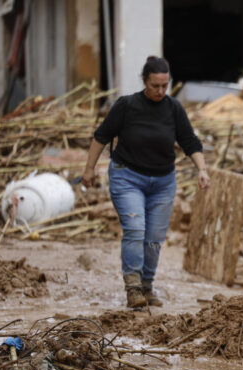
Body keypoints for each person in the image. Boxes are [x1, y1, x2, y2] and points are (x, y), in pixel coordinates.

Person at [81, 55, 210, 308]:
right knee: (135, 229)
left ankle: (147, 286)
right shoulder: (126, 106)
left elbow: (190, 141)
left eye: (165, 85)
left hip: (163, 182)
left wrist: (202, 169)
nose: (160, 91)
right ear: (144, 81)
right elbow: (101, 136)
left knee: (153, 238)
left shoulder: (173, 109)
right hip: (127, 176)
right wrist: (89, 169)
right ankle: (132, 287)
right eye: (155, 86)